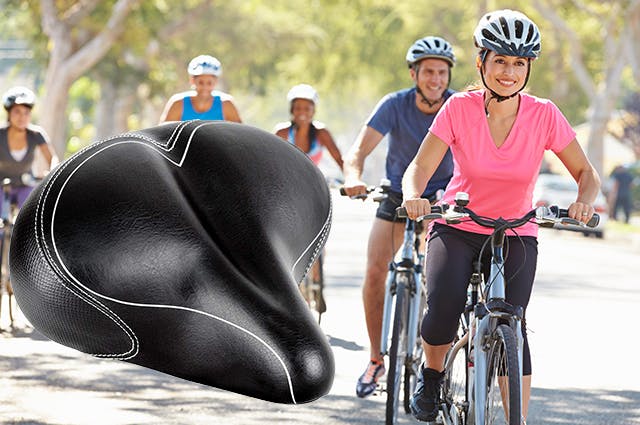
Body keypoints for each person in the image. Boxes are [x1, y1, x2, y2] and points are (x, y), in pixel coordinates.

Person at [401, 10, 601, 423]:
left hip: (516, 231)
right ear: (482, 62)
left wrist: (584, 200)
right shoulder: (459, 108)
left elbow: (586, 174)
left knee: (514, 322)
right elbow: (419, 167)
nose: (509, 72)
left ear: (528, 68)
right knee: (443, 306)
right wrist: (413, 196)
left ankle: (516, 420)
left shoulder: (544, 114)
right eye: (501, 61)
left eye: (519, 63)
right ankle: (433, 375)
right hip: (458, 225)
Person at [341, 36, 456, 398]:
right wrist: (353, 177)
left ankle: (438, 360)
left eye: (442, 73)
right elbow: (358, 151)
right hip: (397, 196)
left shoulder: (458, 106)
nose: (436, 79)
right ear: (413, 74)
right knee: (376, 271)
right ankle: (376, 359)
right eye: (428, 72)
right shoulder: (394, 105)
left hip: (443, 198)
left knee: (442, 281)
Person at [0, 86, 55, 216]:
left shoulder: (36, 134)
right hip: (2, 185)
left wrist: (51, 172)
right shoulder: (1, 134)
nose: (22, 117)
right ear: (9, 113)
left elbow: (52, 158)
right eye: (17, 112)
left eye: (26, 112)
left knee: (31, 216)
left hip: (26, 185)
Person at [274, 84, 344, 169]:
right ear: (292, 110)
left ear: (313, 111)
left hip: (313, 178)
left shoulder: (321, 133)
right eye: (298, 108)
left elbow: (340, 160)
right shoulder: (282, 133)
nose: (302, 112)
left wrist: (351, 176)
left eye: (307, 109)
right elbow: (271, 160)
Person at [160, 54, 242, 123]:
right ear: (192, 80)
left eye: (209, 83)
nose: (205, 87)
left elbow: (240, 133)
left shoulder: (226, 104)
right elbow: (163, 133)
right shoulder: (178, 103)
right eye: (200, 82)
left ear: (216, 82)